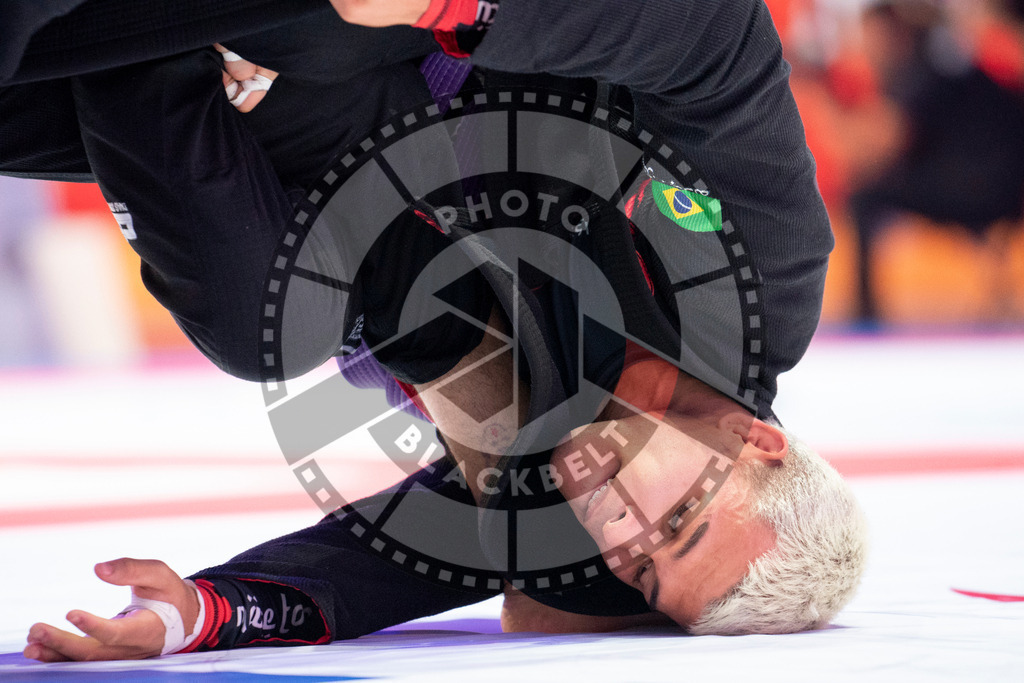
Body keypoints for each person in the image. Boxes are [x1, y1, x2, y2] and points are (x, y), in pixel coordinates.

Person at [8, 0, 866, 660]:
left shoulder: (559, 506)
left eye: (640, 565)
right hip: (404, 47)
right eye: (680, 517)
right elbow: (718, 40)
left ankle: (135, 57)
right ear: (756, 441)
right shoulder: (763, 272)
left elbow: (381, 571)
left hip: (280, 147)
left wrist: (198, 614)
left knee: (263, 329)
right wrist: (460, 7)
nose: (620, 525)